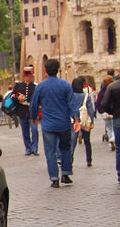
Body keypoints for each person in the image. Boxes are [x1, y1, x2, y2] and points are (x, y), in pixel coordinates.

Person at [29, 59, 80, 188]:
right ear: (58, 70)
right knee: (65, 148)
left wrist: (34, 117)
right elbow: (71, 103)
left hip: (48, 124)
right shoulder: (65, 85)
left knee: (50, 151)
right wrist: (76, 118)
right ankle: (66, 173)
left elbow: (34, 104)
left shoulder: (41, 86)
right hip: (63, 122)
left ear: (45, 70)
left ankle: (54, 178)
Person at [13, 67, 39, 155]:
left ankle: (34, 148)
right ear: (25, 76)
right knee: (25, 131)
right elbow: (12, 96)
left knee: (34, 130)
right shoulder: (18, 85)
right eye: (30, 76)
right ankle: (28, 148)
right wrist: (18, 98)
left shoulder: (35, 86)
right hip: (22, 111)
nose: (31, 78)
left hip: (32, 111)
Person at [70, 77, 95, 167]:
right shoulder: (85, 96)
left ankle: (70, 158)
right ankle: (89, 160)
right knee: (87, 141)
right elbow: (90, 110)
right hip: (84, 120)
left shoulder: (70, 96)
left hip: (74, 120)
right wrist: (91, 121)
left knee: (73, 141)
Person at [100, 74, 120, 183]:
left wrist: (111, 111)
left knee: (119, 148)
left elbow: (104, 103)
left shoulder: (112, 87)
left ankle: (119, 174)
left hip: (117, 117)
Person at [97, 75, 115, 151]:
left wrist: (101, 111)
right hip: (113, 112)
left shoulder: (101, 92)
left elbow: (98, 103)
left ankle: (111, 142)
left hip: (105, 112)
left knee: (109, 127)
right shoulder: (114, 89)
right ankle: (113, 139)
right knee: (114, 127)